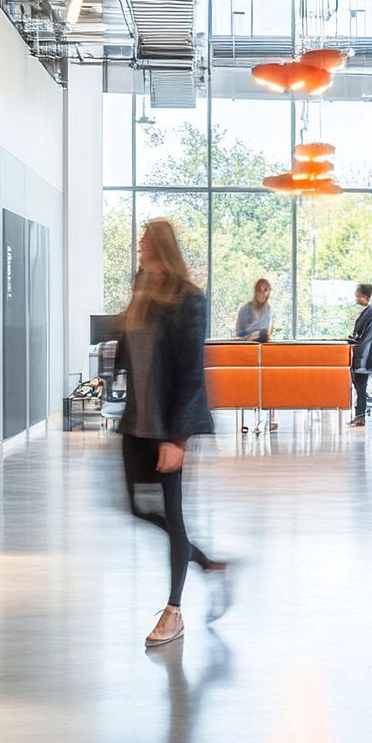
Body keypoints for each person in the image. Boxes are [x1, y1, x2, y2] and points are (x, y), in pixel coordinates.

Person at [117, 218, 227, 647]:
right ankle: (204, 562)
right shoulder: (141, 292)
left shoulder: (189, 300)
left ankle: (174, 610)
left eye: (144, 240)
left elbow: (189, 373)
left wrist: (177, 438)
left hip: (167, 427)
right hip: (136, 421)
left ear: (160, 245)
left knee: (174, 516)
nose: (140, 246)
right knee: (133, 508)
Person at [234, 278, 278, 432]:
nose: (263, 293)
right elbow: (240, 332)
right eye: (260, 289)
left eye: (266, 290)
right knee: (247, 386)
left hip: (265, 353)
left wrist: (253, 333)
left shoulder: (268, 310)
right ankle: (245, 420)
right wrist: (255, 333)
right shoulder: (245, 309)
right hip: (247, 353)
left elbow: (266, 333)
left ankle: (271, 419)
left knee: (270, 386)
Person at [347, 283, 372, 428]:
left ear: (364, 296)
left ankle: (360, 416)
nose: (356, 298)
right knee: (359, 387)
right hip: (362, 354)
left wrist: (355, 344)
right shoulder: (369, 312)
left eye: (357, 295)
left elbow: (367, 338)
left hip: (365, 356)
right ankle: (359, 415)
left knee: (361, 387)